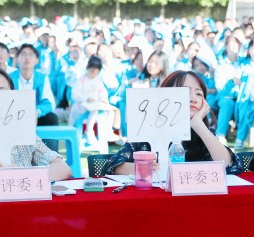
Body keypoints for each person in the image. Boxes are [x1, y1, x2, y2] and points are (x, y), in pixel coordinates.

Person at [104, 70, 242, 176]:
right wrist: (140, 167)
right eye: (186, 91)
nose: (193, 98)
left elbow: (230, 165)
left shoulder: (203, 133)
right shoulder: (147, 131)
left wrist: (198, 124)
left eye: (199, 94)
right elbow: (112, 166)